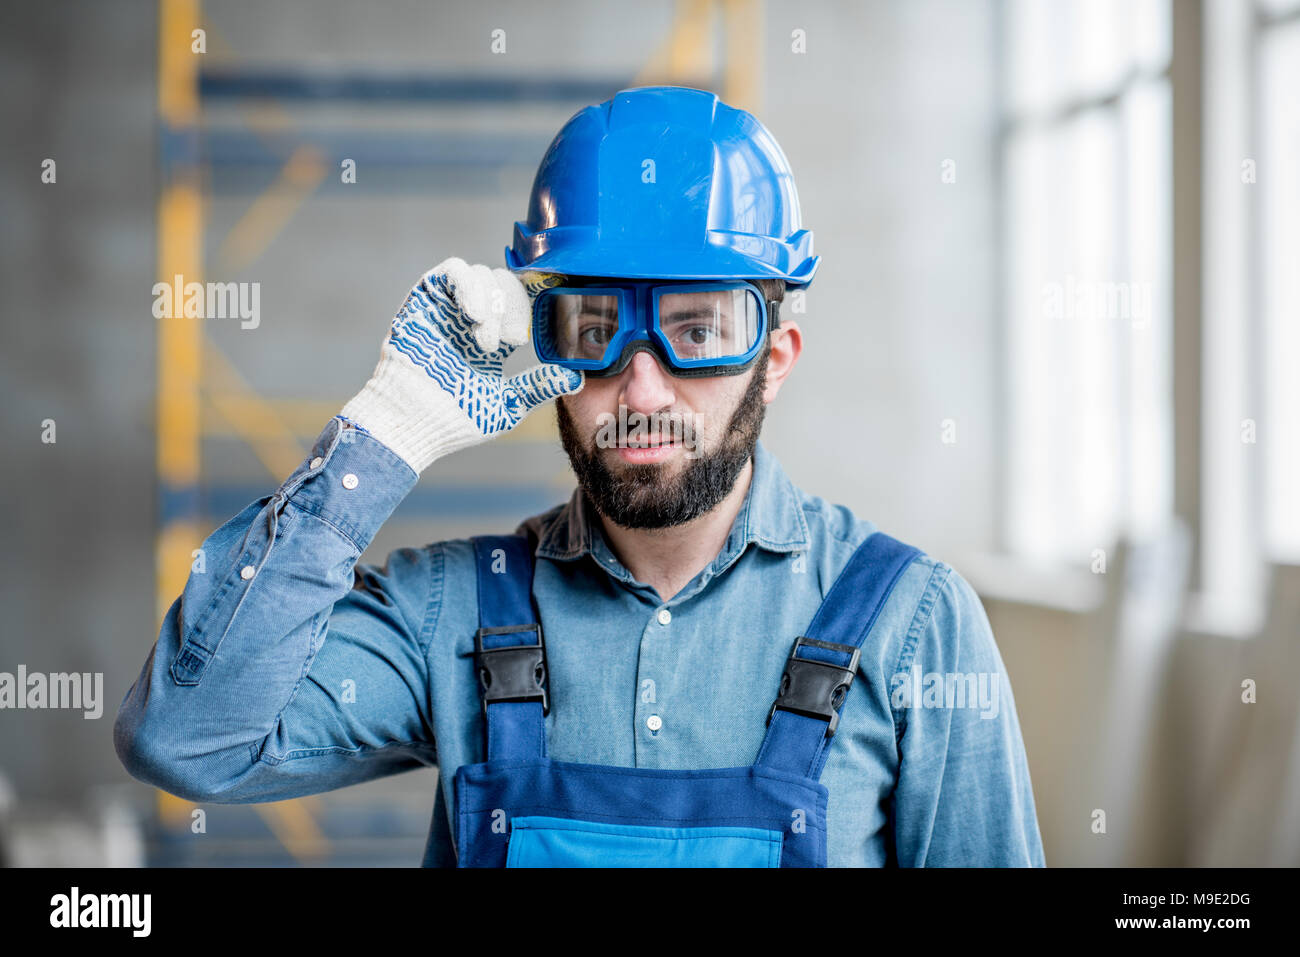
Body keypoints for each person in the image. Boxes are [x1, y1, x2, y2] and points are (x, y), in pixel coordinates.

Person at [115, 86, 1045, 867]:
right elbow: (186, 737)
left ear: (778, 355)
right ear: (545, 345)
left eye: (699, 331)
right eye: (596, 332)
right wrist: (379, 437)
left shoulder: (911, 625)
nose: (640, 384)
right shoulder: (457, 613)